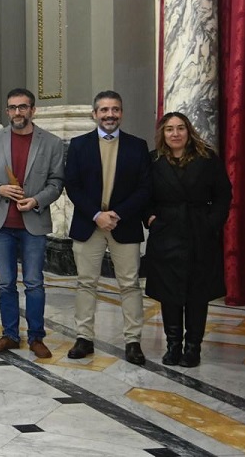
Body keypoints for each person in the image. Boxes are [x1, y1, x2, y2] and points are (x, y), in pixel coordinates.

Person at [0, 89, 65, 358]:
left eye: (23, 107)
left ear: (32, 110)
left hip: (33, 223)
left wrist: (36, 200)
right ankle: (10, 335)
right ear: (7, 111)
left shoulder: (51, 142)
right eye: (12, 107)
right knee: (5, 283)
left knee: (35, 282)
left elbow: (57, 182)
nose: (17, 113)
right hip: (1, 223)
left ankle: (37, 337)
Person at [64, 90, 152, 365]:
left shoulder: (138, 146)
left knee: (129, 285)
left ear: (121, 113)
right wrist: (95, 214)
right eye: (104, 110)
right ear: (94, 114)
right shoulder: (78, 145)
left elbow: (145, 187)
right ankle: (84, 338)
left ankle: (133, 341)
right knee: (86, 283)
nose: (110, 114)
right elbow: (72, 185)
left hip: (123, 225)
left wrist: (117, 214)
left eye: (115, 109)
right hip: (89, 225)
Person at [146, 112, 232, 368]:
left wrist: (211, 223)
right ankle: (173, 346)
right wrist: (150, 219)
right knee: (169, 293)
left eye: (180, 128)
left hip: (199, 234)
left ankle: (193, 347)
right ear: (162, 133)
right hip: (166, 233)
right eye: (169, 129)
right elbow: (144, 195)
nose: (175, 133)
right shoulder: (153, 161)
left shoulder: (207, 158)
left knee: (197, 294)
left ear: (188, 131)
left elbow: (223, 195)